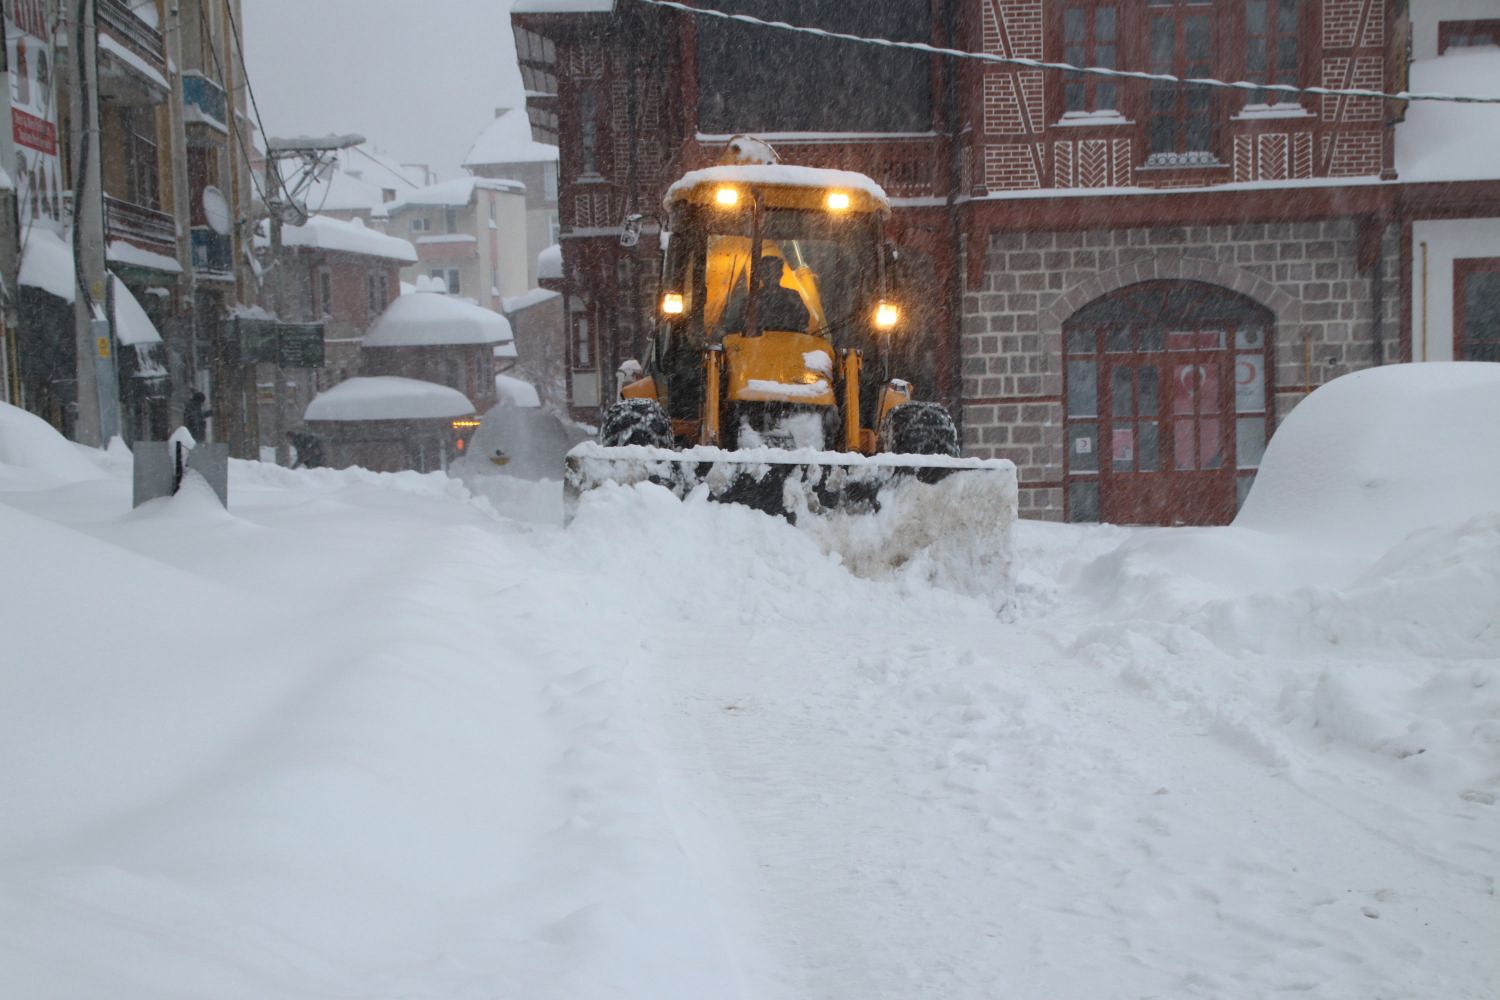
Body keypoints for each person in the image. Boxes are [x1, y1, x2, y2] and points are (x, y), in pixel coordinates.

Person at [722, 256, 810, 335]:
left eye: (775, 271)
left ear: (781, 274)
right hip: (758, 345)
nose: (771, 276)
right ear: (760, 275)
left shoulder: (792, 296)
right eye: (767, 272)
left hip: (789, 344)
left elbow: (804, 320)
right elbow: (741, 327)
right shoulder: (751, 300)